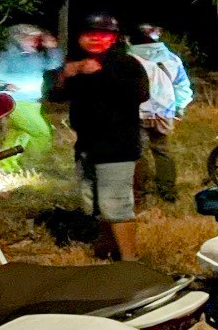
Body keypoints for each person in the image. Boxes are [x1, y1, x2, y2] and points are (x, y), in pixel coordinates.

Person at [52, 14, 149, 261]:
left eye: (103, 34)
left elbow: (140, 94)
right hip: (87, 146)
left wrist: (99, 75)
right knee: (94, 204)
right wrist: (68, 73)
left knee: (116, 204)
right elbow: (54, 95)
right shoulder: (76, 65)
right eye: (89, 33)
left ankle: (130, 261)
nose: (96, 39)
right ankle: (106, 250)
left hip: (118, 147)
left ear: (114, 38)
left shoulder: (126, 64)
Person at [128, 24, 194, 203]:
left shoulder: (129, 58)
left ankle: (139, 194)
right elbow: (182, 86)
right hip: (164, 112)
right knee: (163, 151)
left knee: (138, 153)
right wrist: (179, 107)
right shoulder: (172, 58)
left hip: (137, 112)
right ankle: (168, 191)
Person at [0, 24, 63, 172]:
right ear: (18, 39)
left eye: (36, 39)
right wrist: (6, 83)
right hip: (15, 102)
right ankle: (35, 164)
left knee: (18, 134)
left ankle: (7, 167)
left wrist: (52, 49)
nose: (35, 42)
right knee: (41, 133)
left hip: (33, 102)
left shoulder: (35, 57)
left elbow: (54, 64)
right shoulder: (6, 56)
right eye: (30, 39)